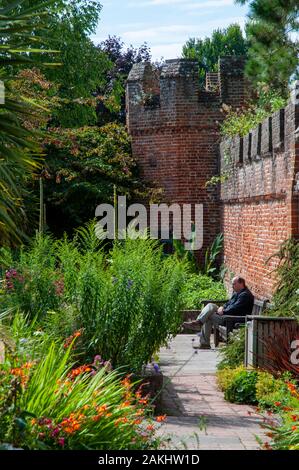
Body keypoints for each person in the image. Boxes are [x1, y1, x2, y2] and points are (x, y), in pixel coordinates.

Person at [183, 276, 254, 350]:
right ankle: (199, 323)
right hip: (227, 315)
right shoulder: (237, 293)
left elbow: (235, 309)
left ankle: (204, 340)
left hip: (232, 319)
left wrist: (223, 311)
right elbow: (228, 303)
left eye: (234, 284)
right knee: (211, 305)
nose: (232, 286)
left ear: (241, 283)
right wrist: (222, 307)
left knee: (208, 316)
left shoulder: (245, 295)